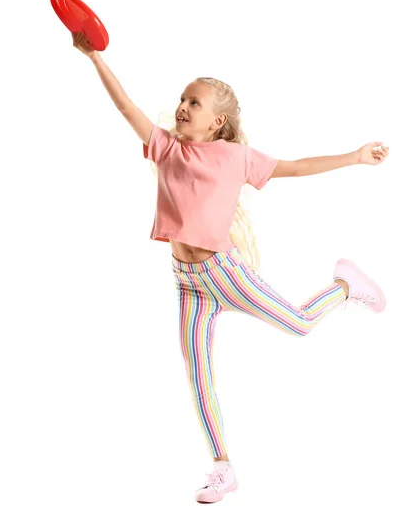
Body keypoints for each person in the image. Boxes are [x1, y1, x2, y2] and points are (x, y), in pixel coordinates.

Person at [72, 31, 390, 504]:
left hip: (225, 274)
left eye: (193, 103)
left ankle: (345, 284)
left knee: (300, 324)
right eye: (182, 99)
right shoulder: (166, 148)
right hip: (187, 283)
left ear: (216, 120)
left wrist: (356, 157)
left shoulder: (235, 157)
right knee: (199, 374)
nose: (182, 106)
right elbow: (126, 108)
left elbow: (297, 167)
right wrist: (95, 57)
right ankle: (223, 467)